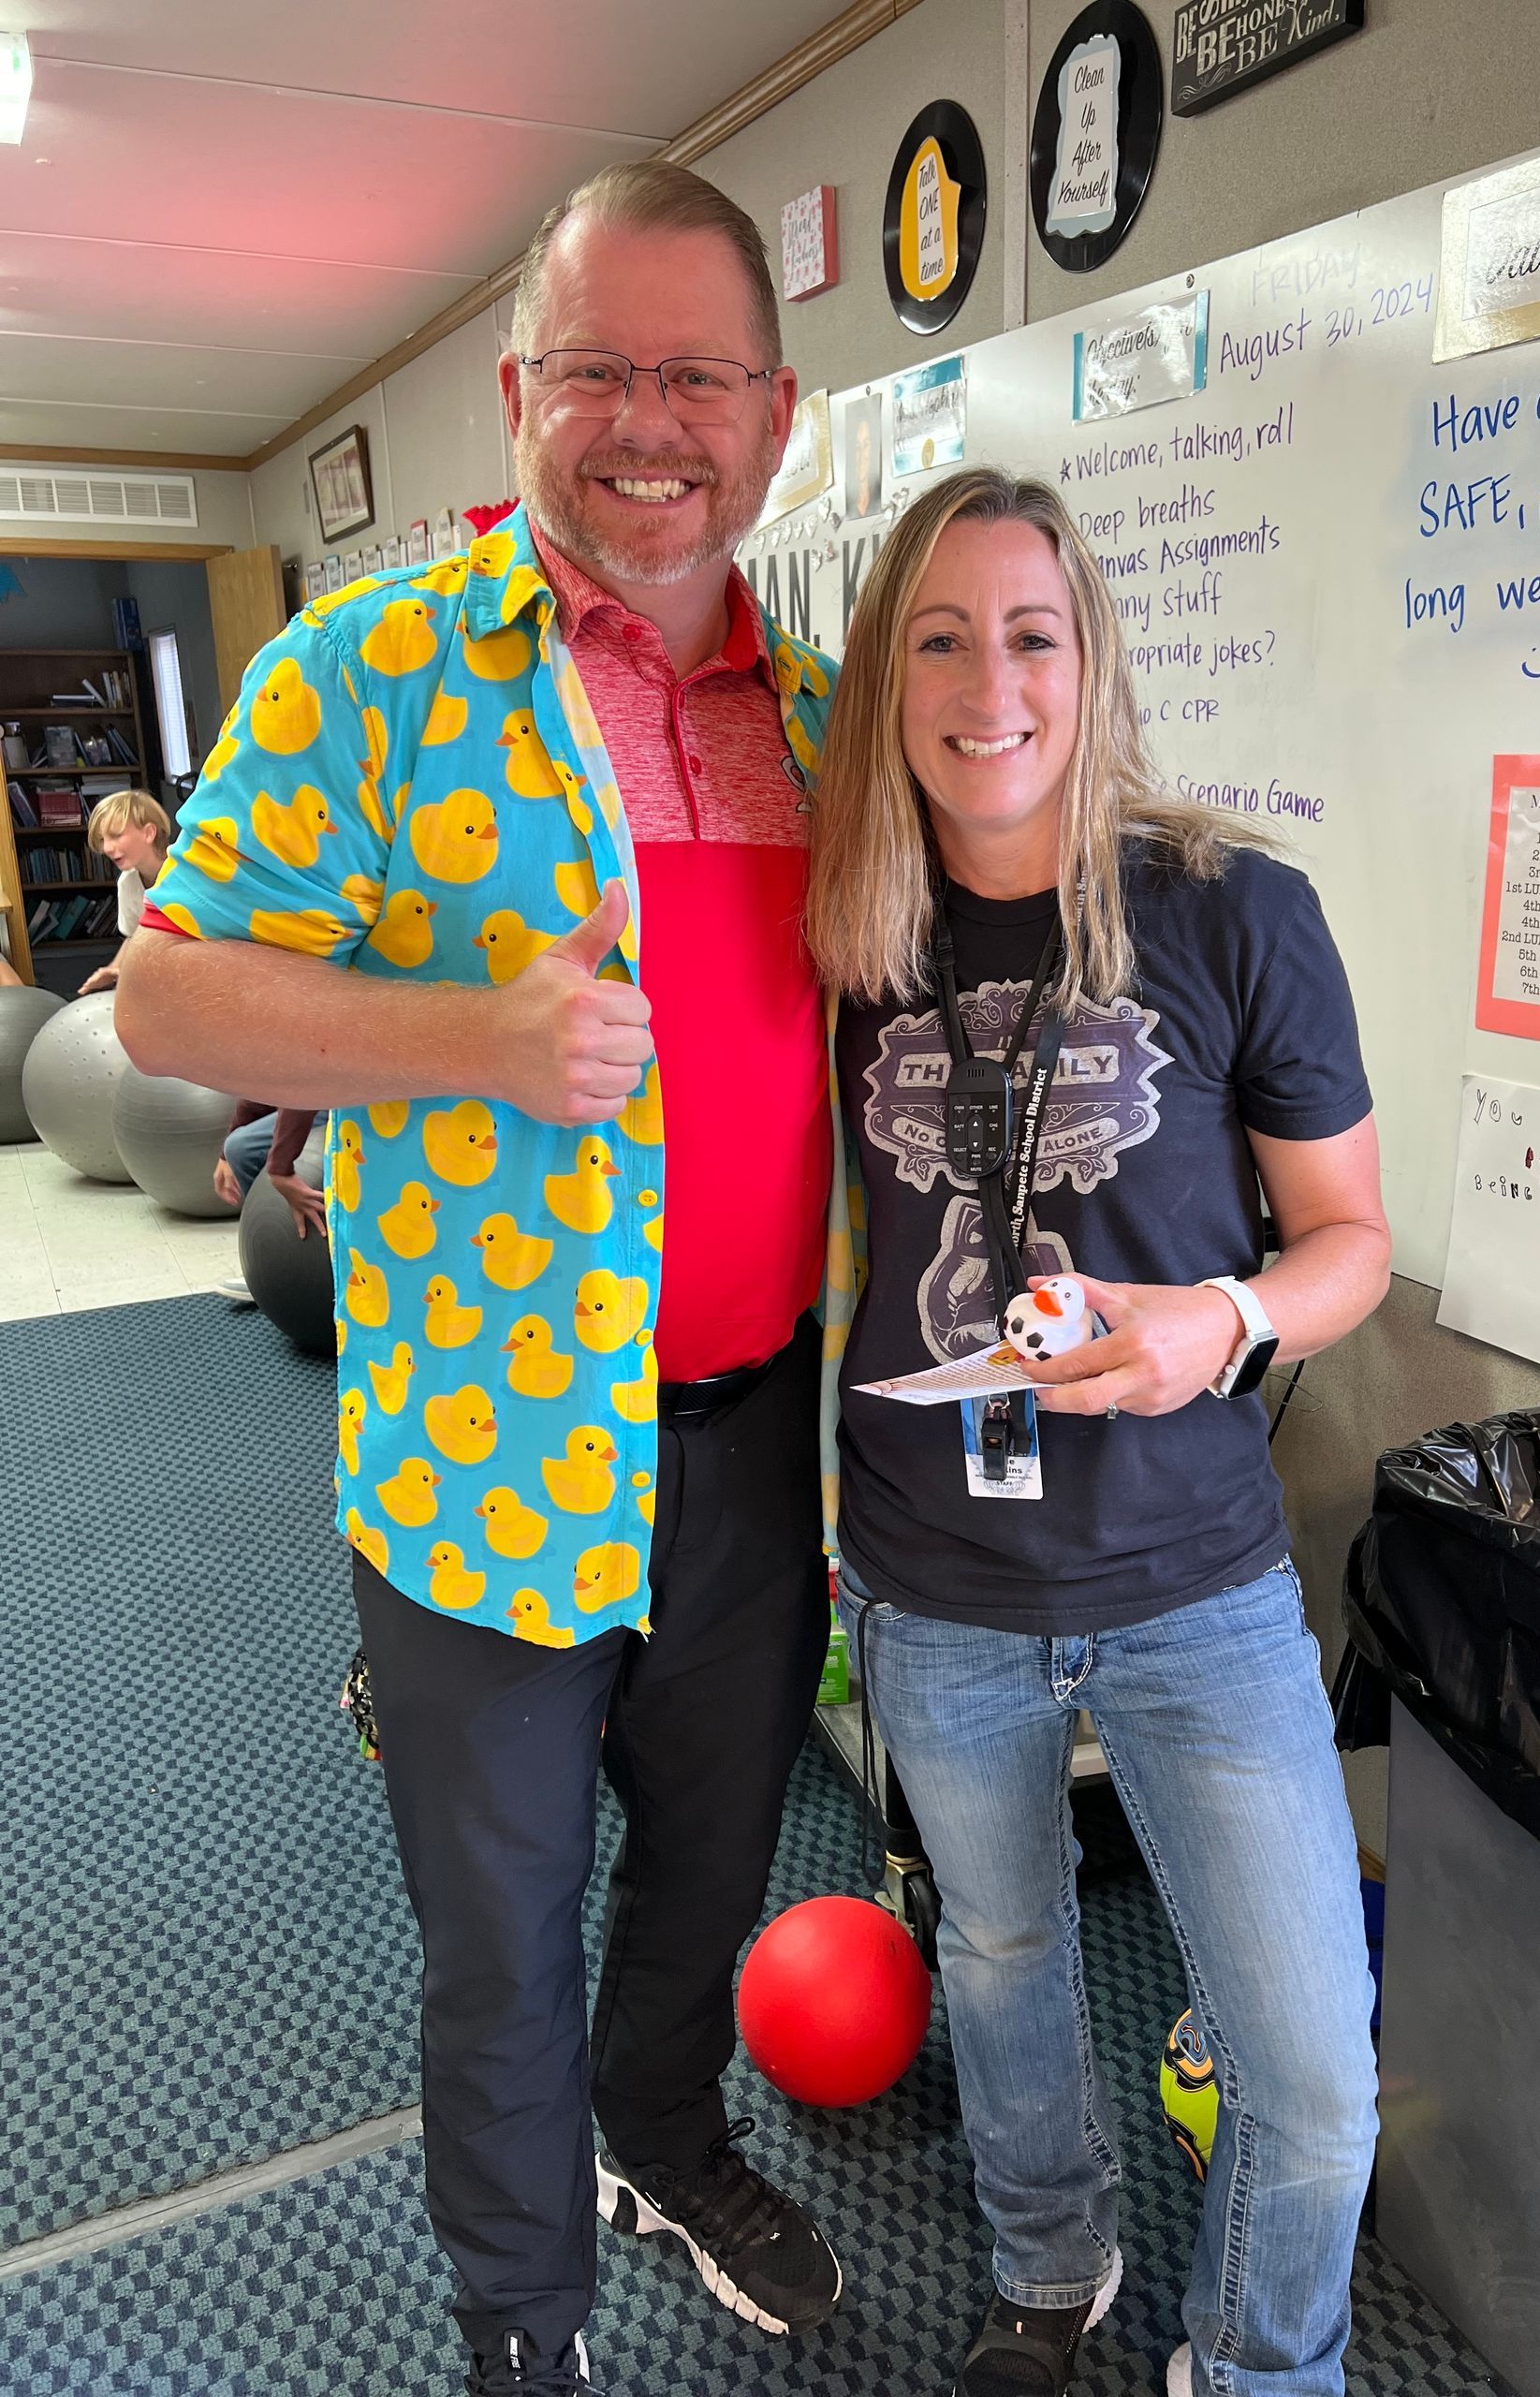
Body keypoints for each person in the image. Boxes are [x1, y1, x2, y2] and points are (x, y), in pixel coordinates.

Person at [117, 160, 851, 2397]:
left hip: (745, 1442)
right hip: (481, 1462)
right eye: (602, 368)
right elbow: (162, 1002)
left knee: (712, 1872)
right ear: (522, 390)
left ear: (777, 408)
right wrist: (470, 1039)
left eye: (698, 372)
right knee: (498, 1946)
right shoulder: (369, 674)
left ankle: (662, 2124)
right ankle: (520, 2328)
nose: (651, 418)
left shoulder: (820, 709)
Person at [805, 466, 1389, 2397]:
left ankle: (1261, 2367)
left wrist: (1221, 1316)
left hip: (1193, 1579)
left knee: (1311, 2066)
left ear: (1091, 656)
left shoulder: (1232, 908)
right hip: (934, 1576)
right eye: (940, 638)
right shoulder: (842, 939)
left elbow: (1350, 1244)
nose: (991, 684)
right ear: (888, 675)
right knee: (1001, 1958)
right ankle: (1053, 2273)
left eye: (1030, 634)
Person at [79, 787, 169, 993]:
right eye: (103, 840)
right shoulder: (128, 882)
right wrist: (113, 970)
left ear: (149, 833)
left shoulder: (185, 873)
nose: (107, 848)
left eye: (116, 836)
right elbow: (134, 936)